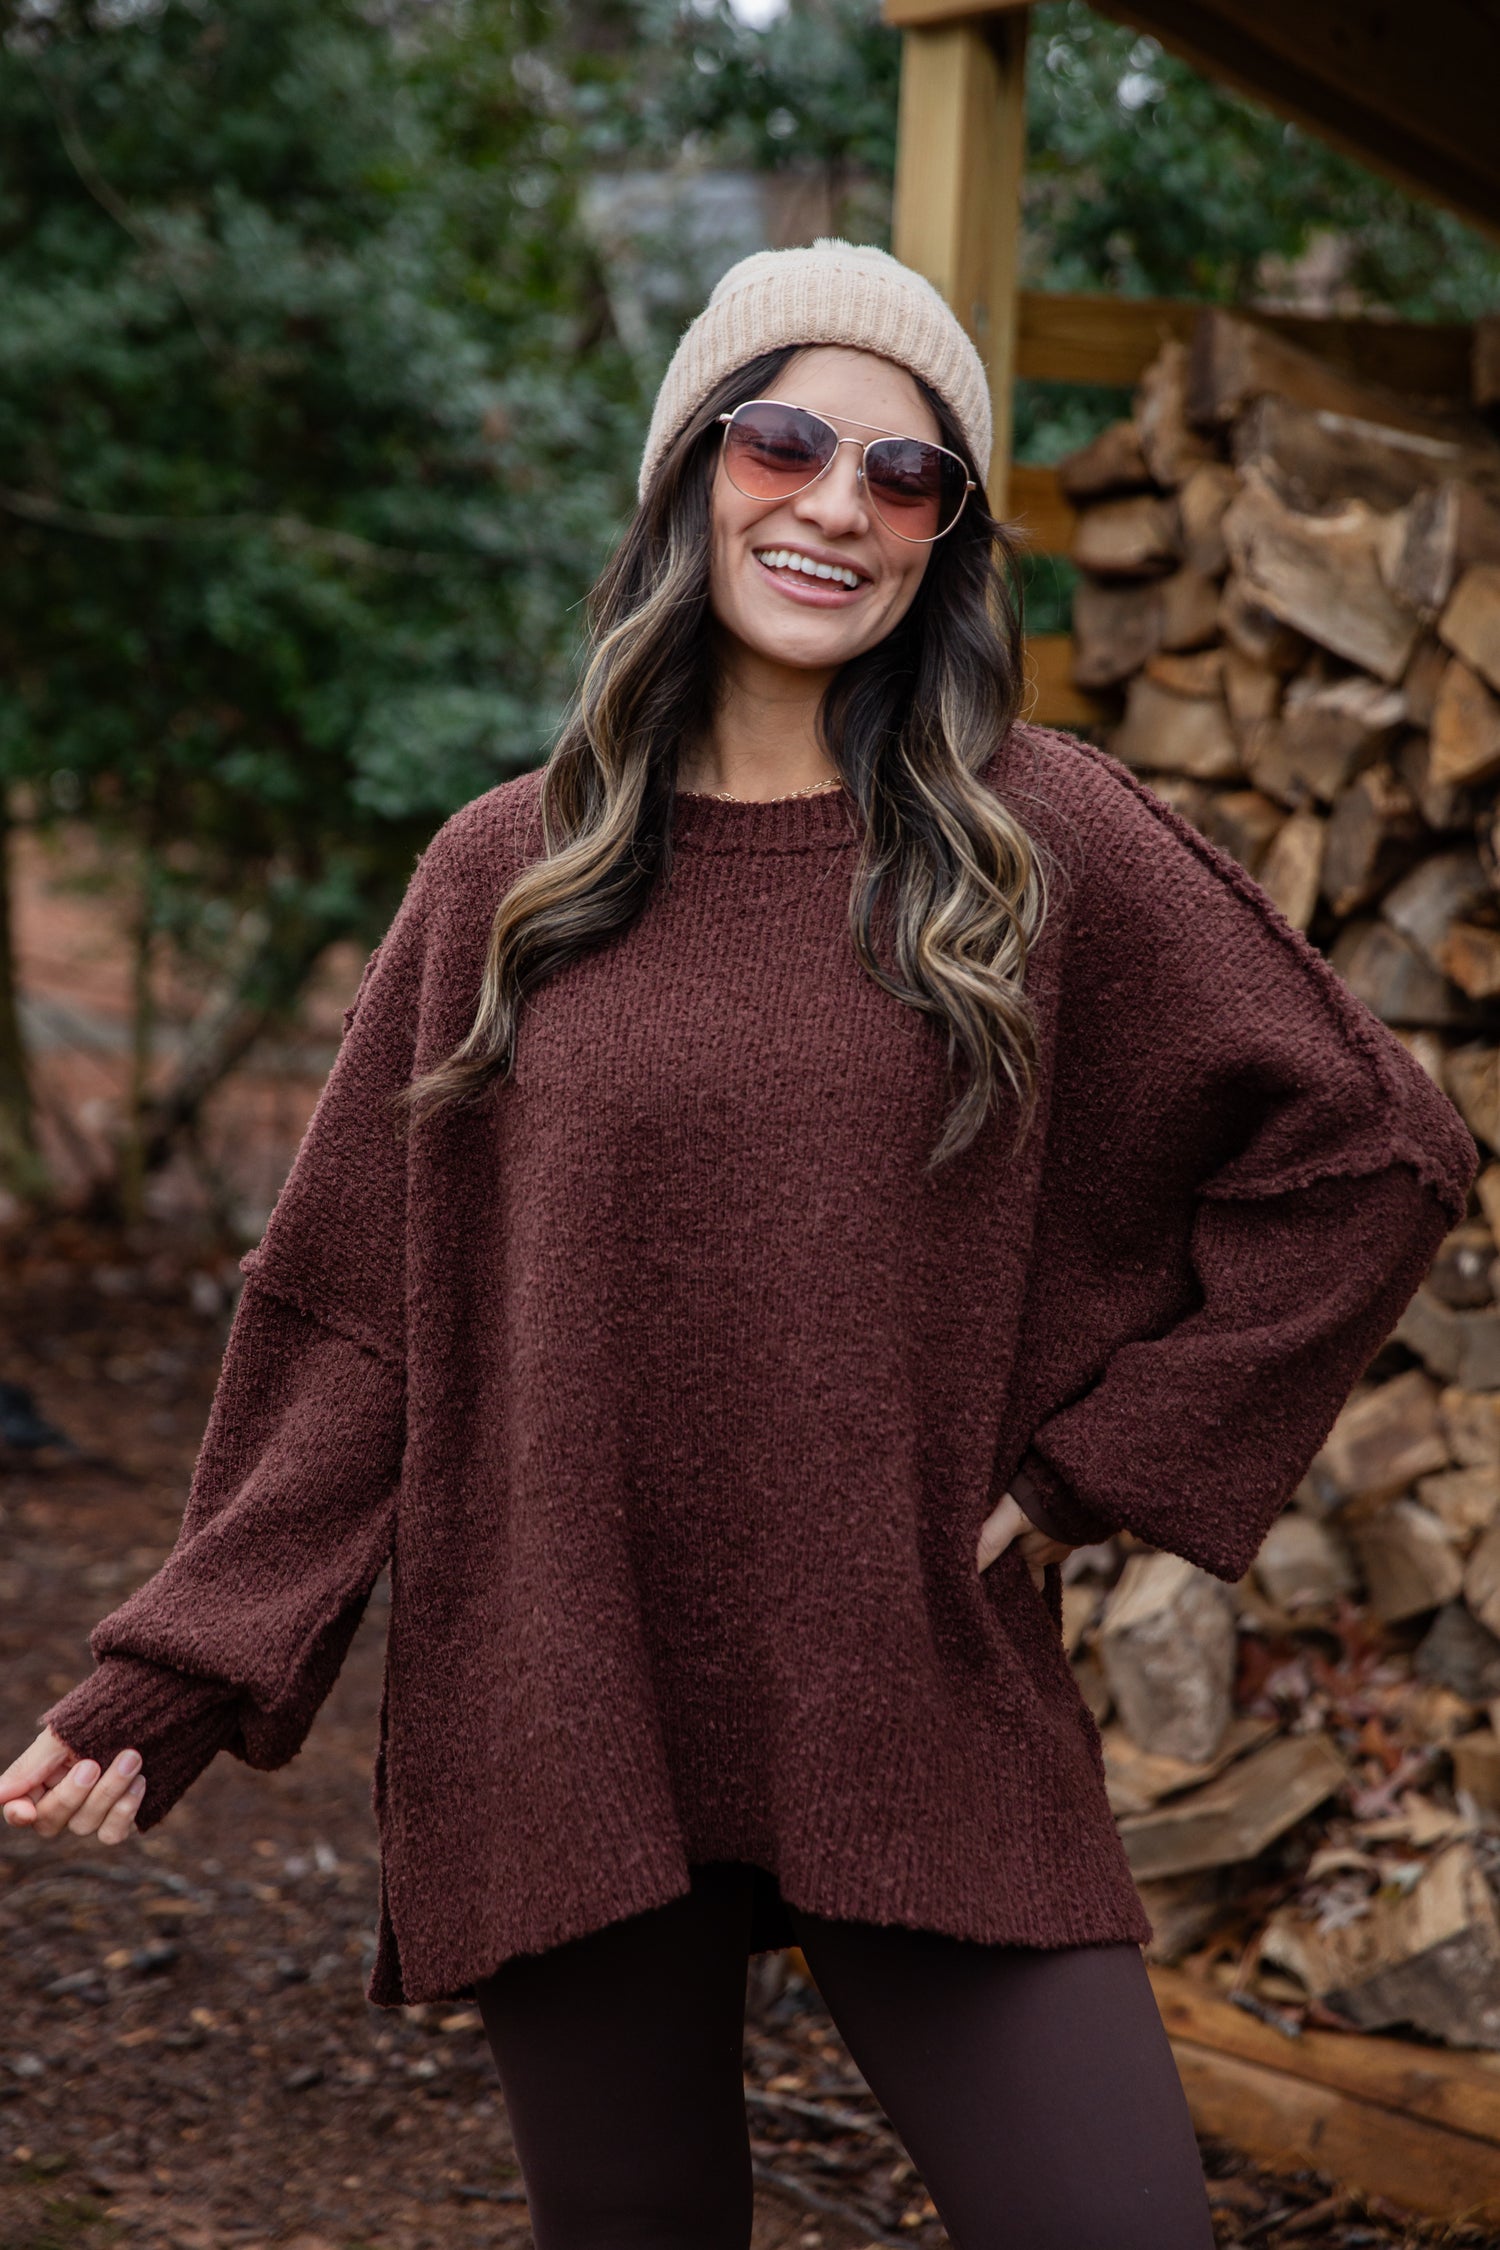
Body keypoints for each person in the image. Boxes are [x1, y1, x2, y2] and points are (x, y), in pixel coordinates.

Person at [0, 240, 1478, 2249]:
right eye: (784, 439)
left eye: (906, 475)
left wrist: (1092, 1471)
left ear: (946, 539)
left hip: (910, 1682)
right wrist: (180, 1669)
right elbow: (364, 1318)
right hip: (564, 1691)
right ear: (694, 465)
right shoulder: (505, 876)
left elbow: (1374, 1149)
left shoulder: (1039, 845)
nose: (836, 505)